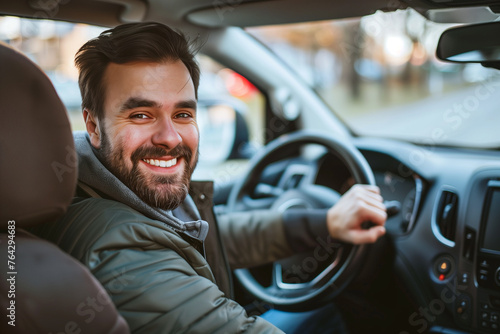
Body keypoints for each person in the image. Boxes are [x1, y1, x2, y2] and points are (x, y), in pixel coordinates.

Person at [34, 22, 387, 333]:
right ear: (94, 126)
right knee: (332, 312)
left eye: (183, 113)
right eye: (141, 115)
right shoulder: (123, 251)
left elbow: (209, 241)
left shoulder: (89, 188)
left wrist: (322, 223)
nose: (170, 138)